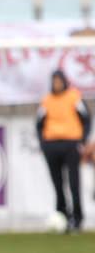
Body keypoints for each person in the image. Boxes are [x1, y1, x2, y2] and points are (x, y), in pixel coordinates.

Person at [37, 69, 90, 232]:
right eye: (54, 81)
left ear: (64, 81)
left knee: (74, 183)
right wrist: (43, 142)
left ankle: (77, 217)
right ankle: (62, 215)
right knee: (58, 183)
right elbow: (39, 123)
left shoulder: (74, 97)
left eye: (59, 81)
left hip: (71, 143)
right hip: (51, 145)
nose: (57, 84)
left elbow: (86, 118)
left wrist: (82, 140)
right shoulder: (47, 100)